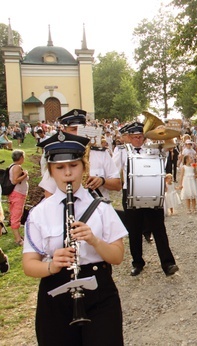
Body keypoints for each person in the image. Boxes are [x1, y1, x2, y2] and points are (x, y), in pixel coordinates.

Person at [22, 130, 127, 345]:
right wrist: (52, 265)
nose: (68, 173)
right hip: (55, 295)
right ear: (51, 171)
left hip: (99, 293)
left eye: (74, 166)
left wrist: (93, 240)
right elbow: (29, 265)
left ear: (84, 167)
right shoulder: (39, 214)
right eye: (60, 168)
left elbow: (117, 257)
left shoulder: (102, 209)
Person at [115, 122, 179, 276]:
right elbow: (113, 169)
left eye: (140, 137)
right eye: (134, 137)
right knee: (134, 230)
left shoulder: (152, 149)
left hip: (151, 192)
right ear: (129, 137)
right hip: (130, 193)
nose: (138, 140)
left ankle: (168, 263)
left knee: (159, 229)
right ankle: (137, 263)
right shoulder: (122, 151)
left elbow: (170, 145)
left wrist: (161, 133)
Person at [39, 109, 122, 199]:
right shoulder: (59, 156)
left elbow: (118, 185)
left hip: (98, 209)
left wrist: (102, 181)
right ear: (64, 131)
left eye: (81, 129)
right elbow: (49, 192)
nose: (78, 133)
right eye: (73, 129)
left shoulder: (100, 153)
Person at [8, 150, 29, 246]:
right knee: (16, 215)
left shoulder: (13, 166)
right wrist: (25, 174)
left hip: (17, 194)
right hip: (18, 194)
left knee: (17, 214)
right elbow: (15, 180)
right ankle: (17, 239)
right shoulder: (17, 167)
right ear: (21, 158)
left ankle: (18, 236)